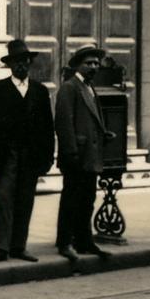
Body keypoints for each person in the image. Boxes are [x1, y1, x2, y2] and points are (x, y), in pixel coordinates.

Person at [0, 40, 52, 263]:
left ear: (29, 63)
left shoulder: (40, 92)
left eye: (24, 61)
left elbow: (47, 128)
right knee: (3, 199)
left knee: (25, 199)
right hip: (6, 157)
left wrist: (46, 159)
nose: (20, 65)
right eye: (16, 62)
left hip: (30, 156)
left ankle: (18, 246)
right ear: (9, 65)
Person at [53, 42, 109, 272]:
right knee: (71, 200)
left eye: (96, 63)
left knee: (87, 200)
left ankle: (85, 241)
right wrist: (71, 152)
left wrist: (104, 133)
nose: (94, 66)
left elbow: (92, 119)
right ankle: (65, 242)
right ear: (78, 65)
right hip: (76, 156)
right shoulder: (69, 87)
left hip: (91, 155)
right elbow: (64, 123)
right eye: (89, 63)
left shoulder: (89, 87)